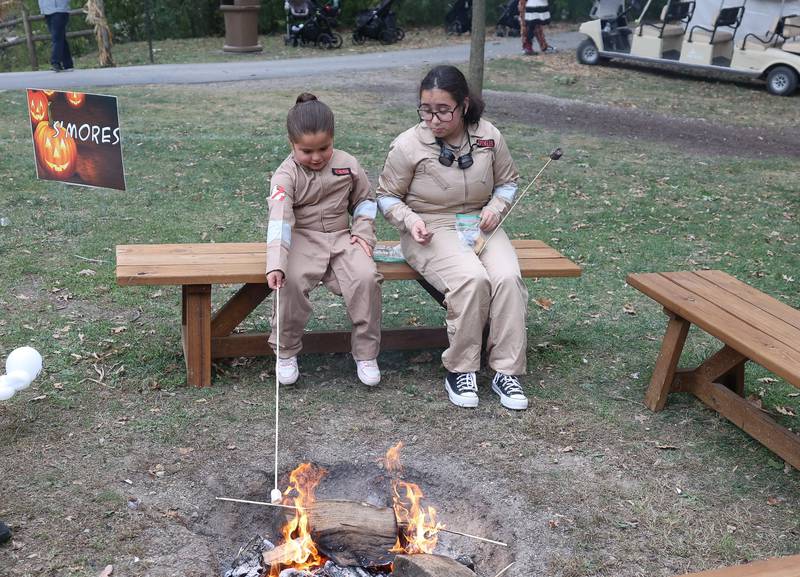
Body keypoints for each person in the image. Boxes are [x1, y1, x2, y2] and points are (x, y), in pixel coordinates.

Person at [376, 65, 530, 411]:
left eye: (443, 110)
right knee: (472, 279)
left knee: (507, 278)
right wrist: (409, 219)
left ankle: (507, 371)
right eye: (426, 110)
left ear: (463, 105)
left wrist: (496, 207)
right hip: (430, 227)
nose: (434, 119)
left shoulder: (489, 135)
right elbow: (385, 195)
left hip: (480, 223)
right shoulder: (407, 144)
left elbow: (507, 182)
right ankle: (460, 369)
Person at [266, 93, 382, 387]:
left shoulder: (348, 164)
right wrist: (276, 264)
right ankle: (286, 351)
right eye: (306, 150)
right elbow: (279, 221)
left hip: (343, 237)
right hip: (302, 239)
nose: (316, 157)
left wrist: (363, 232)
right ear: (291, 143)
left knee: (366, 278)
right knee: (289, 283)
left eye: (324, 148)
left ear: (333, 139)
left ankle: (366, 353)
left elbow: (365, 201)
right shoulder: (284, 176)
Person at [38, 0, 74, 72]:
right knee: (60, 37)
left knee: (57, 37)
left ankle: (55, 62)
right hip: (47, 11)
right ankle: (68, 64)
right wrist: (42, 9)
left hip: (60, 10)